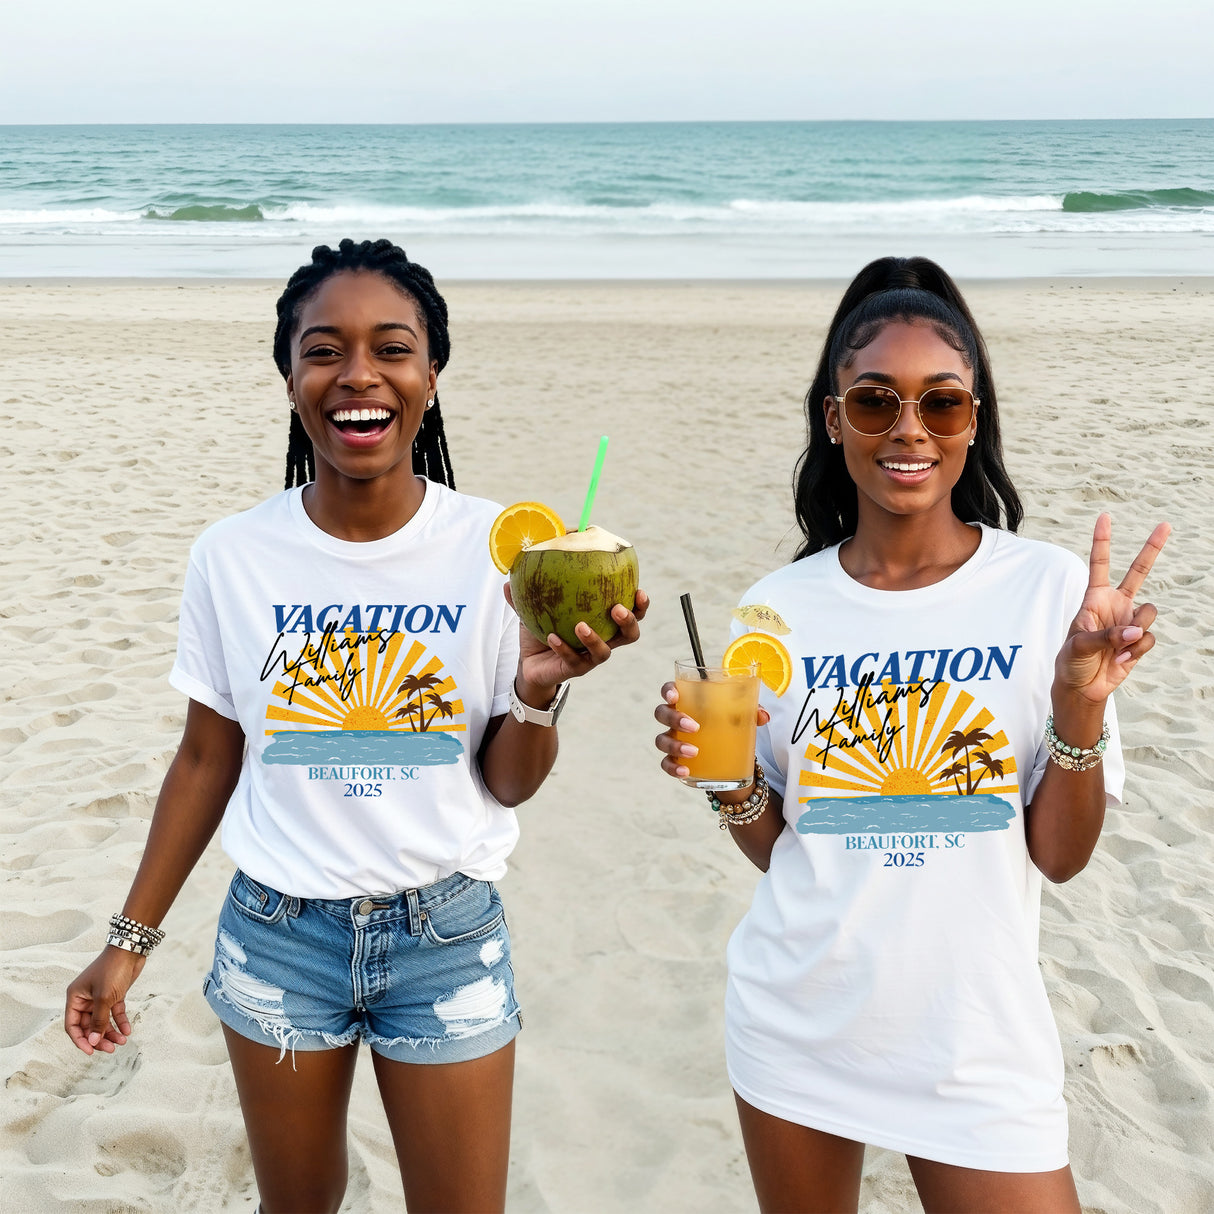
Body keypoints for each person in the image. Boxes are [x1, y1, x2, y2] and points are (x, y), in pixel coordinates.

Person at [65, 237, 648, 1214]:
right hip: (276, 934)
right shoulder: (234, 556)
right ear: (290, 374)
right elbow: (208, 756)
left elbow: (505, 779)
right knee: (299, 1201)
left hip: (446, 933)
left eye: (392, 347)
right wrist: (130, 938)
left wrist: (539, 690)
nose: (358, 375)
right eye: (323, 349)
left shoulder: (503, 551)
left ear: (431, 372)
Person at [654, 256, 1169, 1213]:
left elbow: (1059, 857)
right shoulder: (775, 612)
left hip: (975, 1043)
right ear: (833, 416)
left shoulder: (1049, 591)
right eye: (875, 400)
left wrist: (1081, 705)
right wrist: (726, 782)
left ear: (973, 421)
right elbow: (787, 848)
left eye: (942, 405)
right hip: (797, 1026)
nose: (908, 430)